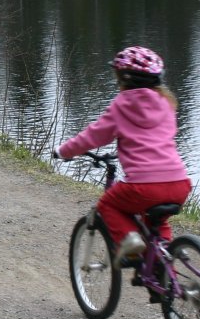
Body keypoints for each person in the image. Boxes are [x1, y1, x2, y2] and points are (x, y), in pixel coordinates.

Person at [54, 46, 192, 262]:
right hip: (179, 183)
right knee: (158, 222)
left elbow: (93, 136)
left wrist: (63, 151)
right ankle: (164, 275)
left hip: (144, 186)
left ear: (124, 79)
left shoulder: (121, 105)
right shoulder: (167, 104)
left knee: (107, 205)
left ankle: (130, 240)